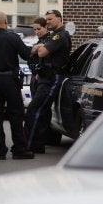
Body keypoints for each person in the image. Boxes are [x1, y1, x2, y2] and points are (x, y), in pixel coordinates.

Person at [0, 11, 34, 160]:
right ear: (6, 21)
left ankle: (0, 150)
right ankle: (19, 149)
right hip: (11, 81)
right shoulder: (13, 38)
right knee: (16, 115)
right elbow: (26, 55)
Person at [24, 9, 72, 154]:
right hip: (45, 76)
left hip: (53, 77)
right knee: (42, 111)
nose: (48, 21)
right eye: (47, 19)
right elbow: (36, 53)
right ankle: (37, 145)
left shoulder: (61, 35)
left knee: (35, 109)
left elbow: (41, 52)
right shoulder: (53, 35)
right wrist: (40, 47)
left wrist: (38, 47)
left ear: (59, 19)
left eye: (50, 19)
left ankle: (28, 146)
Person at [28, 17, 49, 96]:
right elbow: (30, 59)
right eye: (35, 29)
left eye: (39, 29)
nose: (36, 32)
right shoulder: (38, 41)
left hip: (42, 77)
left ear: (45, 27)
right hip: (34, 75)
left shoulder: (49, 40)